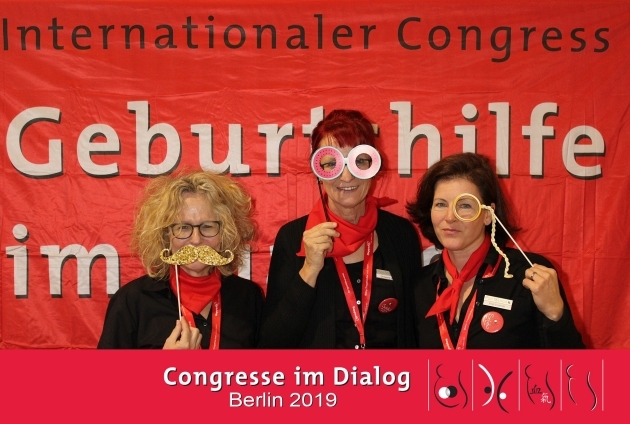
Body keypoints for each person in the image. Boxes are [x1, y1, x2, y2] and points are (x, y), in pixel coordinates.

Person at [259, 110, 420, 348]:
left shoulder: (400, 234)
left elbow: (415, 329)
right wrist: (310, 269)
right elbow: (272, 342)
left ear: (373, 166)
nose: (346, 176)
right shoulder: (293, 238)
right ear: (318, 172)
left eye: (359, 161)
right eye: (331, 163)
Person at [407, 153, 584, 348]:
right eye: (441, 204)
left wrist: (555, 313)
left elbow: (573, 365)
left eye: (464, 205)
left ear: (488, 214)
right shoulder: (420, 285)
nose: (450, 217)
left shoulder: (528, 275)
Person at [98, 171, 262, 349]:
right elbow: (103, 369)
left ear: (225, 234)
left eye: (207, 226)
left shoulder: (248, 297)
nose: (196, 240)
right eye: (183, 228)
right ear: (165, 235)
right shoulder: (132, 300)